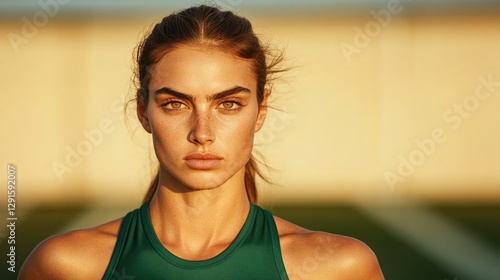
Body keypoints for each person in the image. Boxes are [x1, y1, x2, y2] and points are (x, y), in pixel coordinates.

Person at [19, 5, 384, 279]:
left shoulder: (337, 267)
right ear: (143, 112)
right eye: (176, 104)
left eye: (229, 104)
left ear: (260, 110)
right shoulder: (66, 266)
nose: (202, 132)